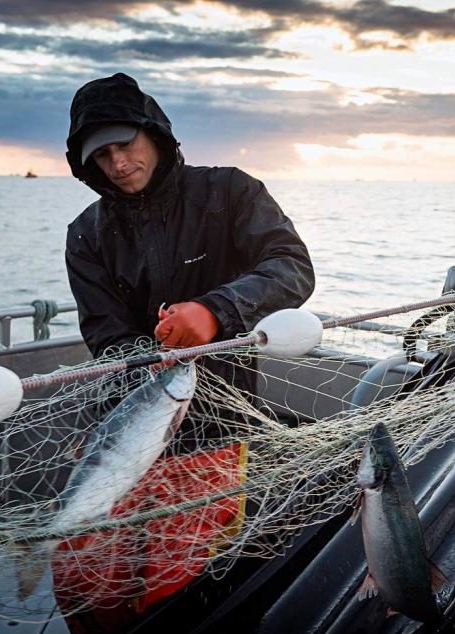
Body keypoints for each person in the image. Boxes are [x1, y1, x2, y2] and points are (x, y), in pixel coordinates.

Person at [64, 72, 315, 401]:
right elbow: (105, 333)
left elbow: (292, 267)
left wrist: (214, 311)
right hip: (132, 409)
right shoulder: (85, 234)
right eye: (102, 155)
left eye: (125, 144)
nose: (118, 163)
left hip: (228, 412)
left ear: (154, 134)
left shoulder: (230, 191)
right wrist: (151, 364)